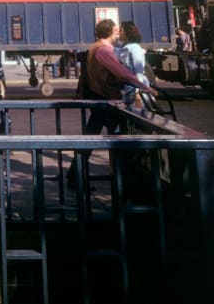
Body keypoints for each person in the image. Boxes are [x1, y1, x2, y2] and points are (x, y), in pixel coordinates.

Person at [67, 19, 157, 188]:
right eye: (116, 30)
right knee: (118, 140)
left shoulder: (97, 48)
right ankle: (124, 181)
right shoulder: (103, 51)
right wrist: (145, 87)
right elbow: (122, 73)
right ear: (109, 32)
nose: (118, 32)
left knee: (92, 137)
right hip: (106, 100)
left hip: (100, 98)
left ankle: (76, 175)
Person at [117, 21, 148, 107]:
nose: (119, 32)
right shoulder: (124, 47)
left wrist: (138, 94)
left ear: (127, 32)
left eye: (121, 30)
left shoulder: (135, 48)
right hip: (126, 90)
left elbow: (139, 72)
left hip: (134, 92)